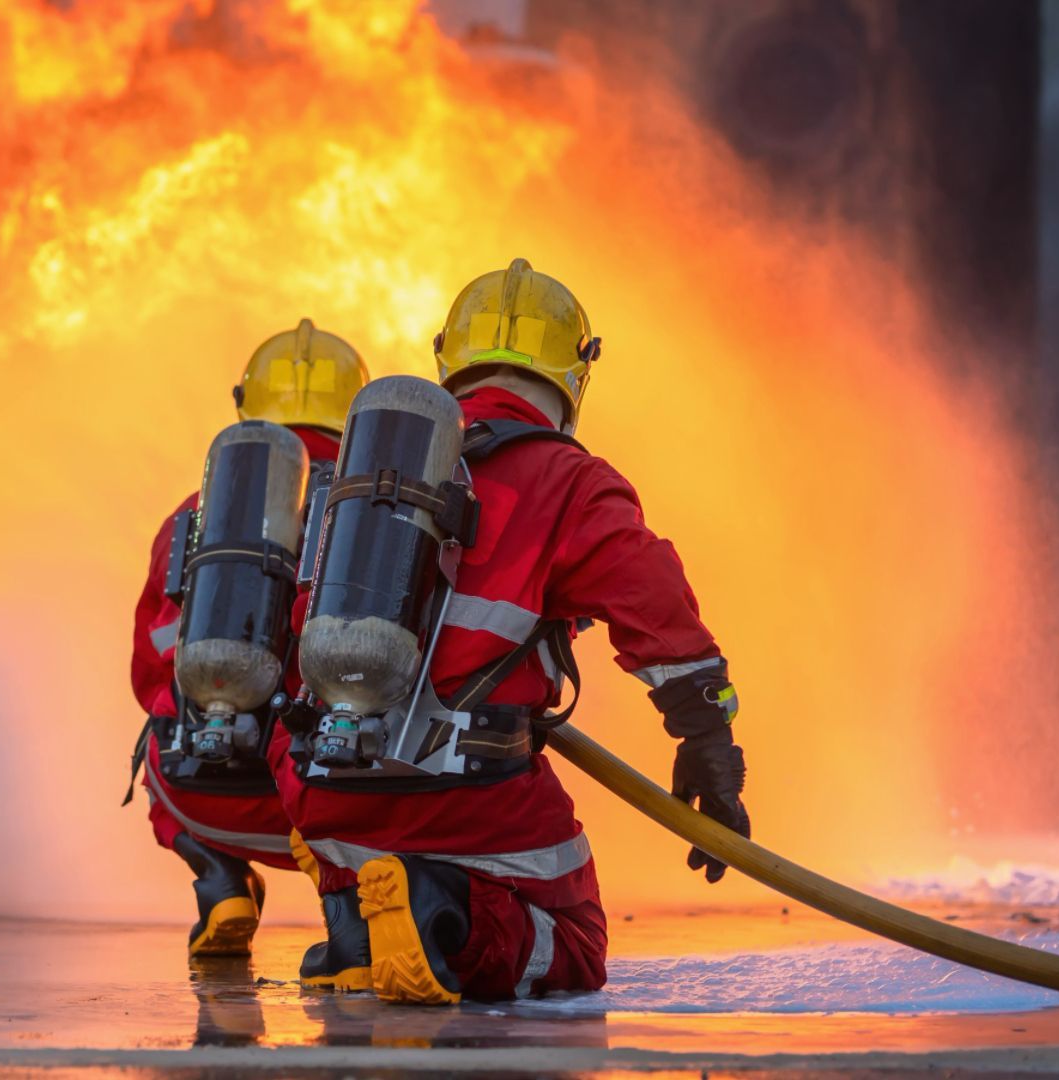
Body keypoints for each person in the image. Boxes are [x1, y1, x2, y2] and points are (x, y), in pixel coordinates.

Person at [271, 260, 749, 1003]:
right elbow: (653, 600)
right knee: (577, 942)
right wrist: (706, 738)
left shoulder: (360, 476)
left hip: (326, 795)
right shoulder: (567, 478)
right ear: (574, 376)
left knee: (364, 831)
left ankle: (353, 936)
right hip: (468, 803)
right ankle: (442, 916)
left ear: (449, 358)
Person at [129, 319, 368, 967]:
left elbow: (152, 665)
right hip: (341, 801)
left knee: (157, 735)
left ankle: (221, 884)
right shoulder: (372, 511)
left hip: (210, 797)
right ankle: (349, 915)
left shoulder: (194, 513)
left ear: (246, 408)